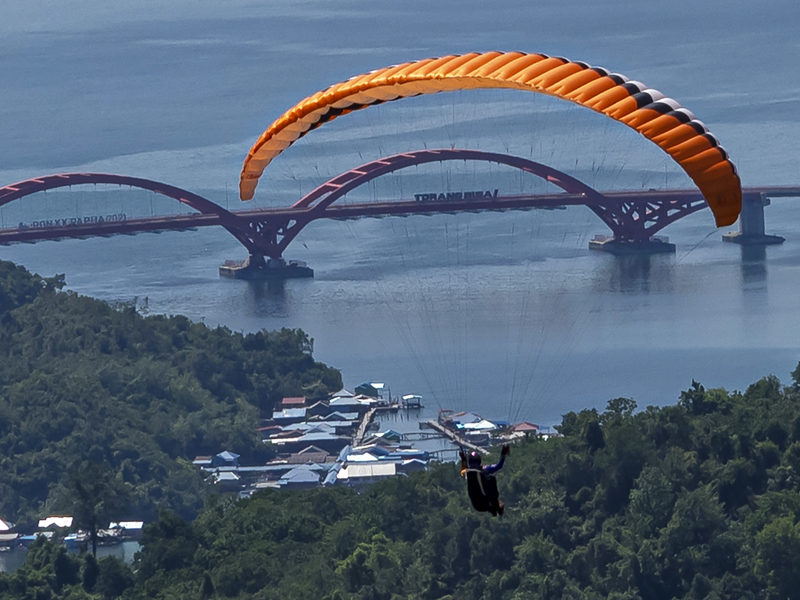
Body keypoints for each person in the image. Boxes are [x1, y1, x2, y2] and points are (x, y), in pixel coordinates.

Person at [459, 445, 510, 516]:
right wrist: (504, 454)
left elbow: (463, 469)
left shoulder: (467, 473)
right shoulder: (485, 470)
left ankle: (495, 509)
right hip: (487, 502)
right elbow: (498, 466)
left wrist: (463, 459)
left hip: (477, 505)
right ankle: (496, 508)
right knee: (491, 479)